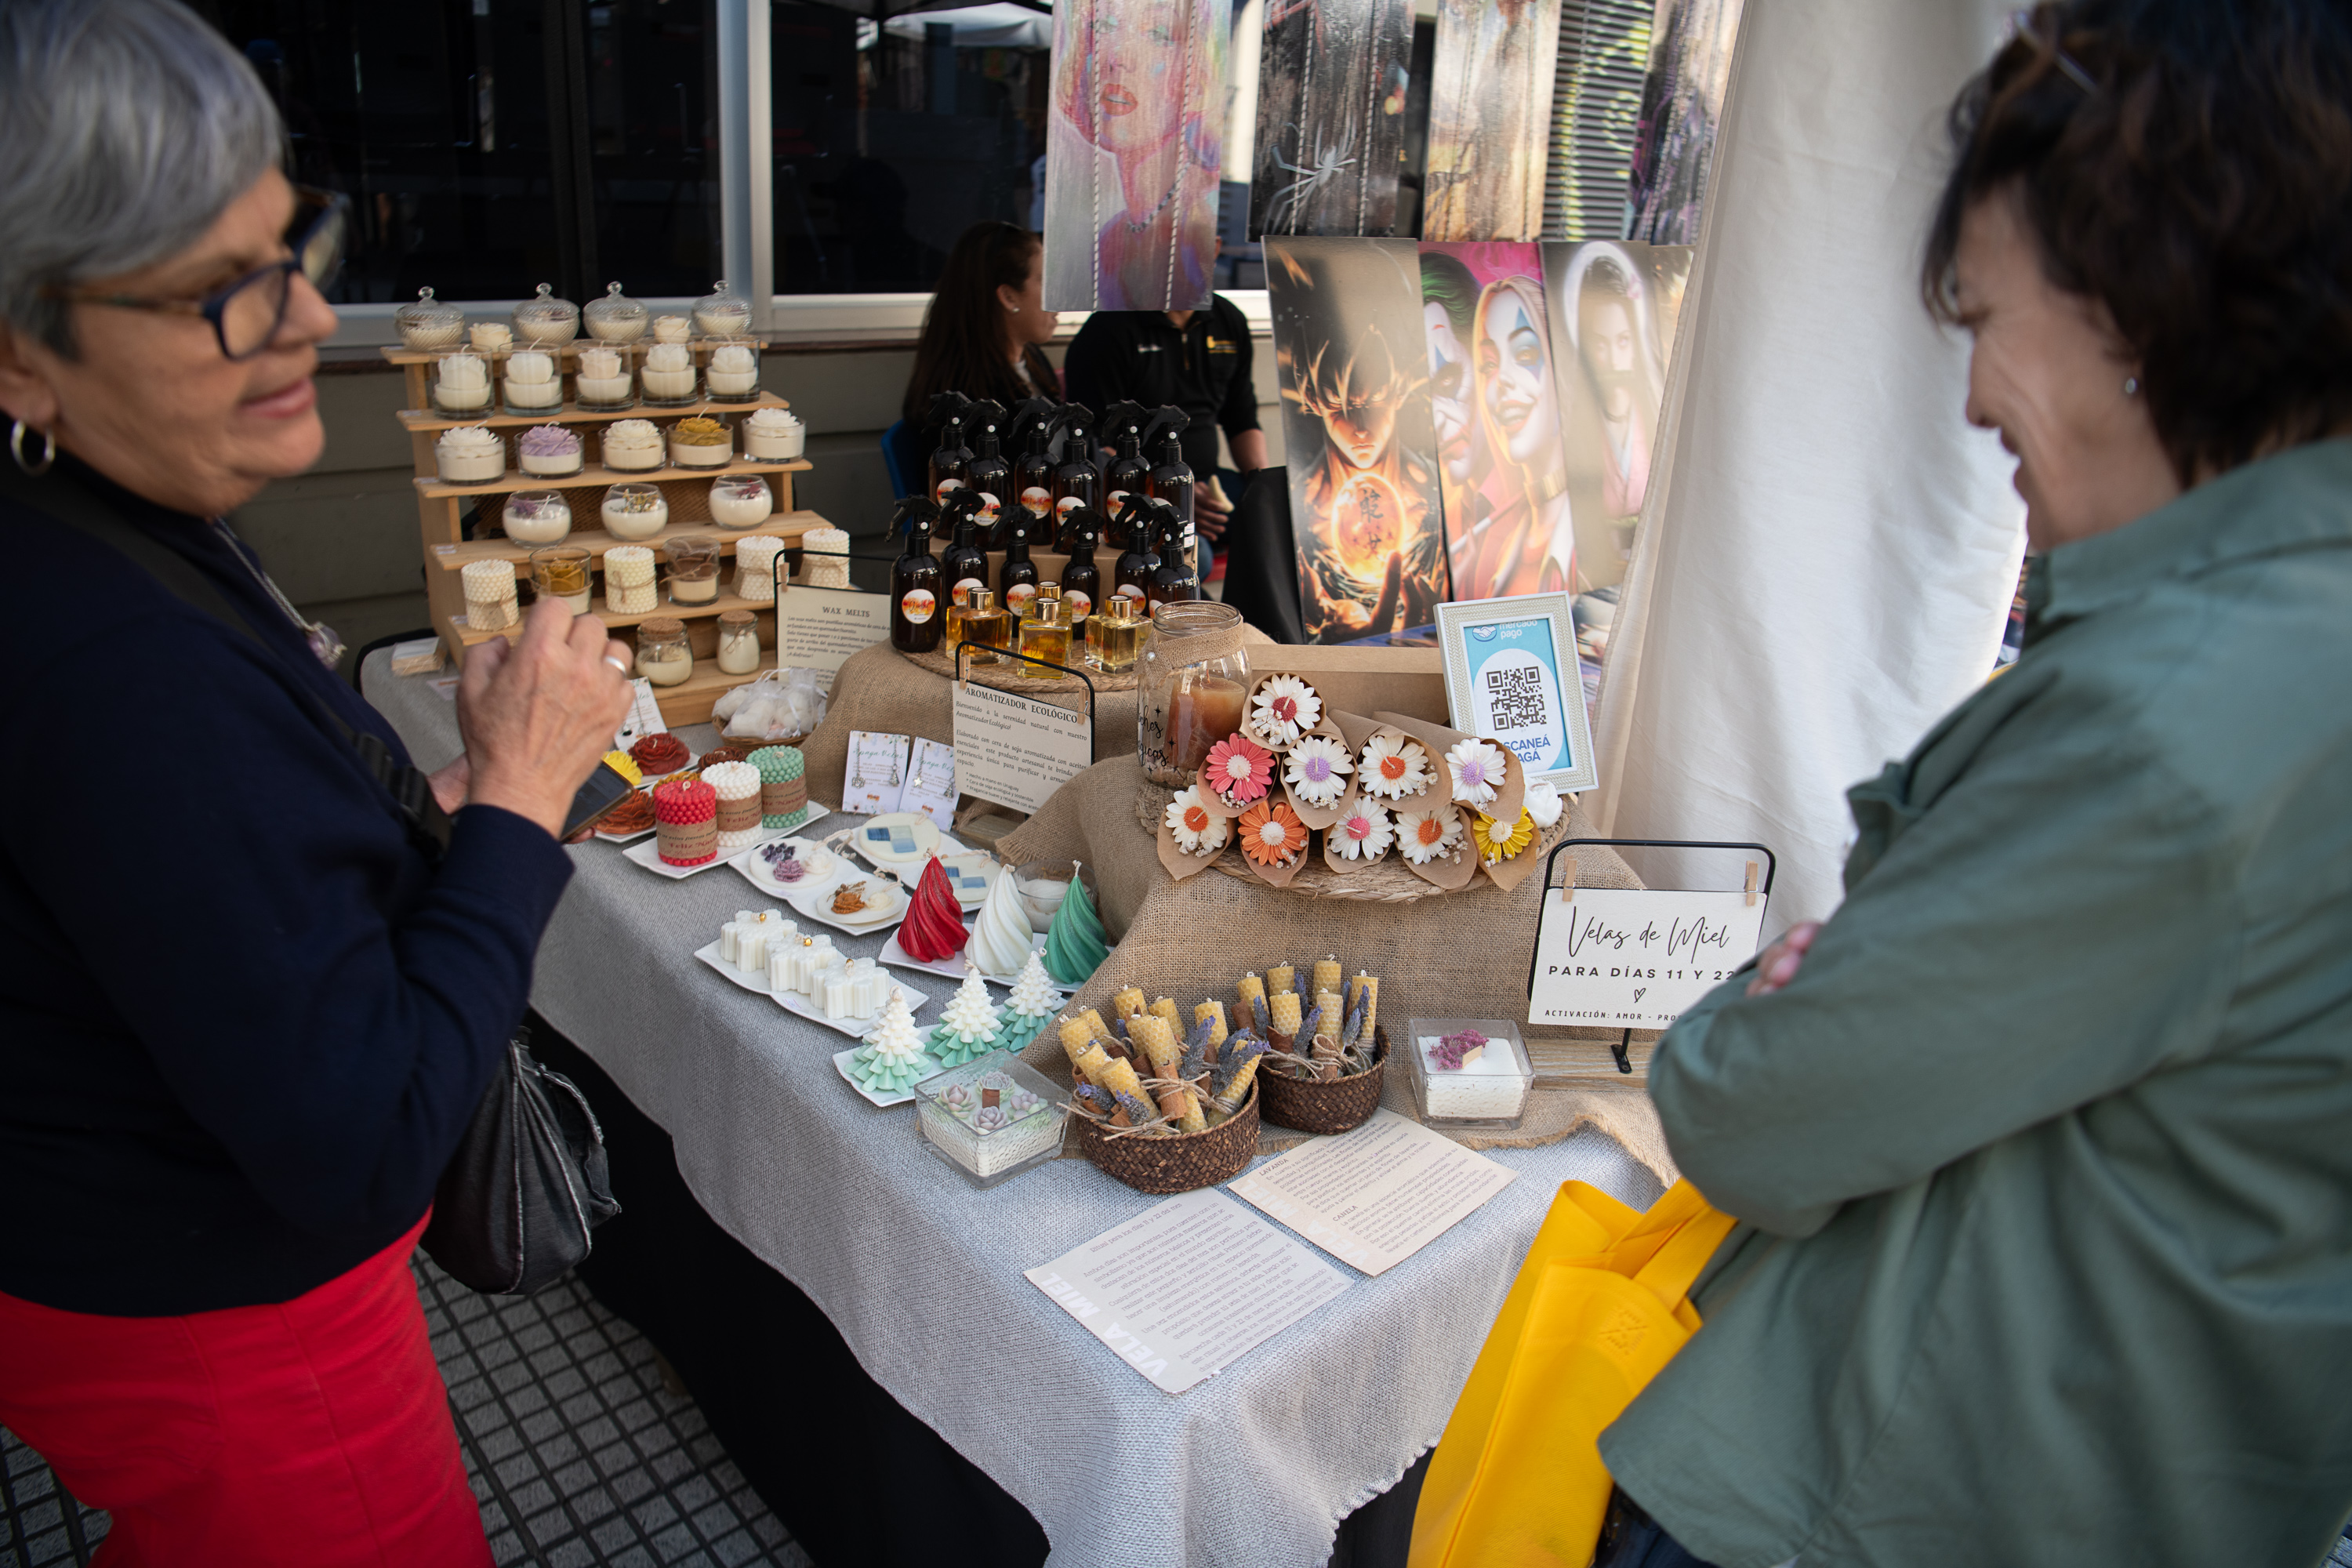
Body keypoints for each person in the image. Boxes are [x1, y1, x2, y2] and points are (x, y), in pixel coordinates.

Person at [1592, 5, 2352, 1566]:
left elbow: (1748, 1109)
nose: (1973, 397)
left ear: (2148, 302)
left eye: (1986, 314)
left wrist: (1780, 999)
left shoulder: (2170, 722)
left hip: (1895, 1491)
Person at [0, 2, 632, 1561]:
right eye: (218, 295)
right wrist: (516, 796)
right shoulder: (105, 666)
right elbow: (362, 1144)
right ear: (20, 349)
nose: (299, 324)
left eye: (294, 249)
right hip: (221, 1321)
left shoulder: (96, 505)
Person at [1062, 293, 1268, 560]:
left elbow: (1242, 419)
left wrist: (1264, 485)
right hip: (1136, 494)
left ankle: (1242, 603)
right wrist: (1169, 496)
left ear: (1216, 249)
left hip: (1206, 483)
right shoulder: (1108, 328)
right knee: (1197, 555)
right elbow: (1095, 446)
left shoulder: (1228, 318)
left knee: (1278, 518)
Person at [1458, 273, 1575, 600]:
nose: (1503, 381)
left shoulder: (1597, 540)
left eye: (1524, 355)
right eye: (1489, 366)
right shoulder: (1501, 548)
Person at [899, 220, 1061, 431]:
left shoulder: (1032, 359)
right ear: (1009, 297)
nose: (1056, 298)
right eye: (1045, 282)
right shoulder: (966, 399)